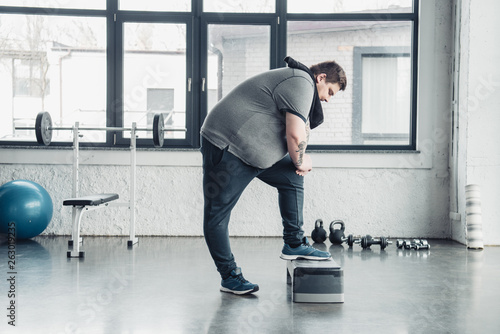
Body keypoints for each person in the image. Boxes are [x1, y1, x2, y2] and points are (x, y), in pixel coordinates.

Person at [200, 56, 347, 295]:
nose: (327, 99)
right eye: (330, 91)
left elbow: (298, 134)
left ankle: (294, 242)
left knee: (292, 176)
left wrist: (297, 163)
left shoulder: (301, 88)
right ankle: (229, 277)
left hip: (254, 150)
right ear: (320, 78)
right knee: (217, 215)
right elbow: (295, 136)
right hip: (227, 145)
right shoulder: (302, 82)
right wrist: (302, 160)